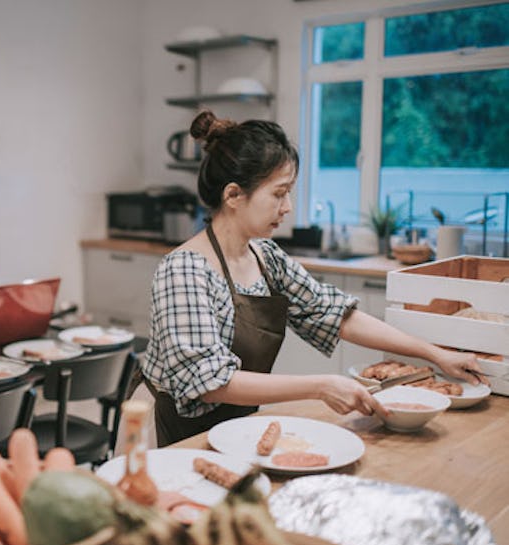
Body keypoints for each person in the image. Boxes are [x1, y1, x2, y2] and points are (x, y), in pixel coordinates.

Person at [142, 110, 487, 447]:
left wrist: (435, 354)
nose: (288, 206)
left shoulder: (266, 258)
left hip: (239, 430)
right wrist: (320, 386)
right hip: (182, 437)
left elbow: (337, 315)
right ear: (233, 195)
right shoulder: (185, 270)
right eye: (279, 193)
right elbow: (211, 382)